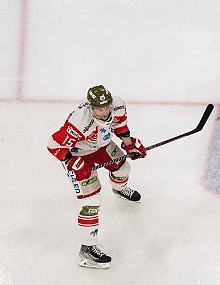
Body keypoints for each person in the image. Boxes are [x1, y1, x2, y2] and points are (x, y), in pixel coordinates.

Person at [47, 85, 147, 268]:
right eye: (99, 110)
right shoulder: (79, 122)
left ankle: (119, 189)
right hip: (78, 155)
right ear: (90, 107)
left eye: (106, 107)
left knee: (123, 168)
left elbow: (120, 125)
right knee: (92, 202)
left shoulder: (117, 105)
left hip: (101, 147)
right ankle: (87, 249)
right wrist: (73, 163)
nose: (104, 112)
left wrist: (129, 145)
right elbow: (54, 145)